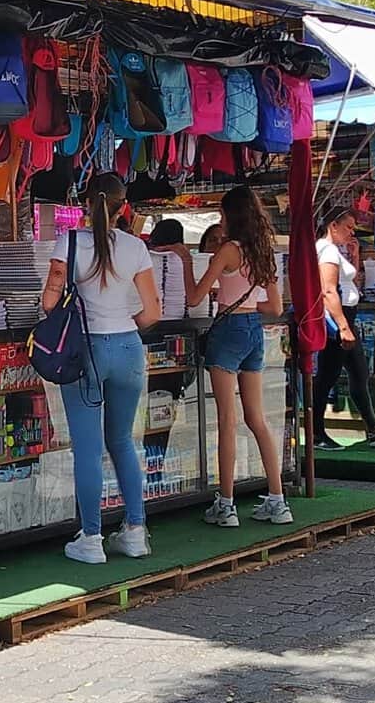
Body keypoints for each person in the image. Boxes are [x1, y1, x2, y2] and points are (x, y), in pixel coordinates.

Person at [40, 173, 158, 564]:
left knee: (88, 449)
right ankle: (136, 531)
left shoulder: (70, 242)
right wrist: (121, 326)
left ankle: (91, 538)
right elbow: (152, 312)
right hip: (128, 348)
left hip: (84, 351)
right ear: (124, 207)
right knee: (122, 440)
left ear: (86, 203)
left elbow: (49, 303)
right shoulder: (135, 247)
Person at [185, 186, 292, 528]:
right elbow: (274, 306)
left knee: (227, 420)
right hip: (253, 331)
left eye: (222, 213)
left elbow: (194, 297)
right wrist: (245, 304)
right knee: (256, 418)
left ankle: (226, 504)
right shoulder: (263, 251)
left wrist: (185, 263)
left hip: (227, 330)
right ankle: (277, 499)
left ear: (231, 215)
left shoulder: (228, 250)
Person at [312, 206, 375, 452]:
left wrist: (354, 256)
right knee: (328, 376)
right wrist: (343, 326)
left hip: (345, 316)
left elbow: (347, 283)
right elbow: (328, 290)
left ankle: (374, 428)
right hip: (338, 319)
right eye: (348, 227)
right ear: (333, 225)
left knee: (358, 372)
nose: (351, 233)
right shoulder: (327, 250)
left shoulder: (333, 250)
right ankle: (317, 432)